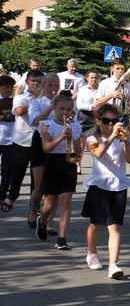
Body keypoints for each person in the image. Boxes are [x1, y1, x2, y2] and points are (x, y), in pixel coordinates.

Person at [81, 104, 130, 278]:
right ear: (98, 121)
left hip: (118, 185)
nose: (110, 124)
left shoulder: (120, 138)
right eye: (106, 121)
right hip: (99, 185)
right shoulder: (93, 138)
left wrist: (126, 140)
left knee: (115, 227)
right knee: (96, 224)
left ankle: (113, 265)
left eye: (114, 120)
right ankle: (91, 253)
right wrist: (112, 136)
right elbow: (98, 153)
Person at [37, 92, 82, 249]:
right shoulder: (47, 125)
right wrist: (61, 138)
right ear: (54, 107)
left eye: (68, 109)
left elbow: (78, 150)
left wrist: (71, 138)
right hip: (53, 162)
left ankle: (62, 238)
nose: (65, 112)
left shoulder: (75, 126)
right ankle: (42, 222)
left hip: (68, 162)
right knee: (49, 205)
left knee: (66, 201)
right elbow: (46, 148)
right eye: (62, 108)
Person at [6, 69, 43, 221]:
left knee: (37, 177)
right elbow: (20, 111)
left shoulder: (45, 99)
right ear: (27, 82)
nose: (36, 84)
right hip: (21, 140)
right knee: (18, 171)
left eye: (39, 81)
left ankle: (34, 207)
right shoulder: (20, 97)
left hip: (39, 140)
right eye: (33, 81)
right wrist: (34, 100)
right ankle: (13, 194)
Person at [29, 74, 61, 231]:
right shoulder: (36, 102)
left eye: (56, 86)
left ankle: (48, 223)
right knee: (40, 186)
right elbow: (35, 121)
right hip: (39, 141)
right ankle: (34, 210)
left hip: (57, 143)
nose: (53, 89)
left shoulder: (63, 103)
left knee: (54, 189)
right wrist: (51, 107)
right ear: (44, 86)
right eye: (50, 85)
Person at [0, 75, 16, 209]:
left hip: (9, 139)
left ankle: (2, 193)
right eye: (7, 87)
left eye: (11, 87)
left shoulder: (15, 101)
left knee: (7, 169)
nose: (9, 90)